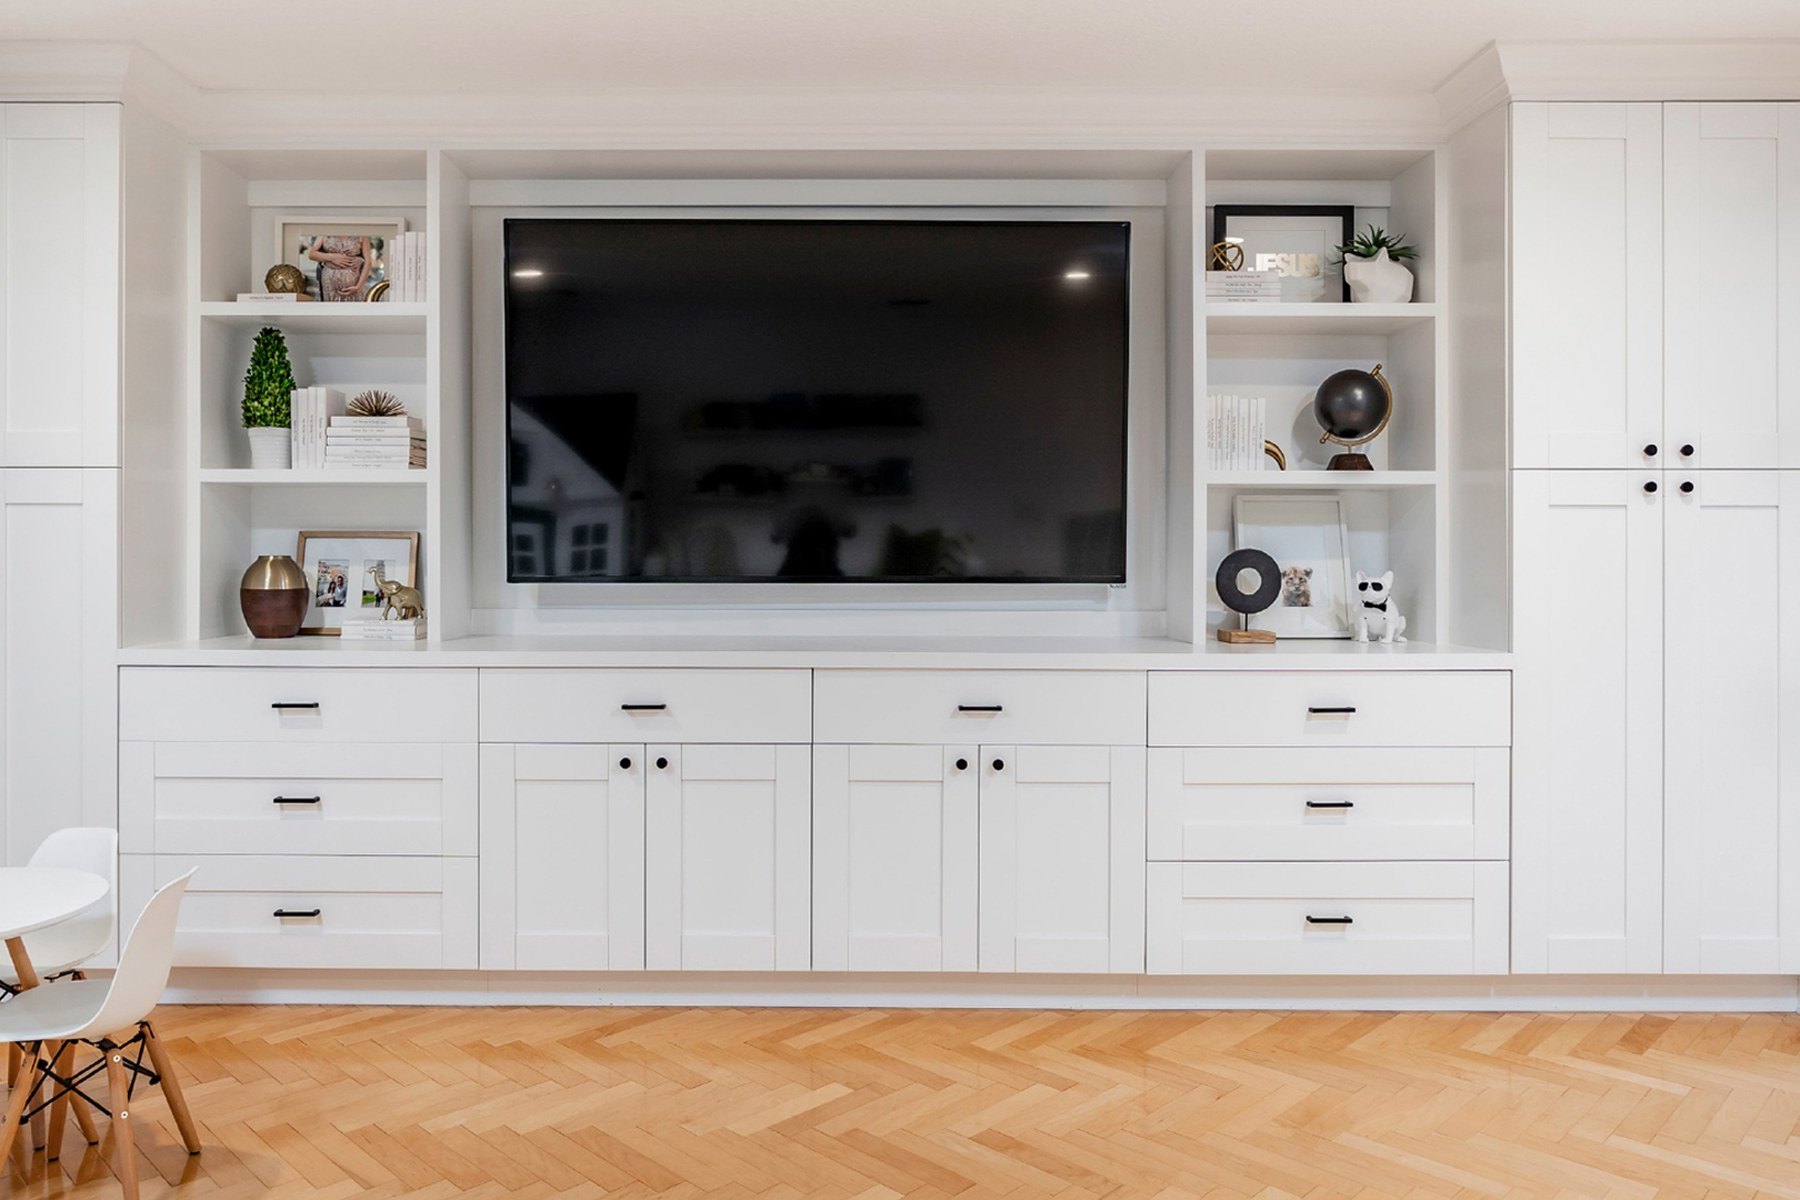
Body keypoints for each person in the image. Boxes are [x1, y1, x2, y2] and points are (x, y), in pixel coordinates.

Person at [307, 233, 371, 301]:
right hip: (330, 283)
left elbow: (368, 262)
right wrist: (332, 257)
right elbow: (312, 254)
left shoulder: (361, 235)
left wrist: (358, 286)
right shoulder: (325, 233)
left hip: (354, 283)